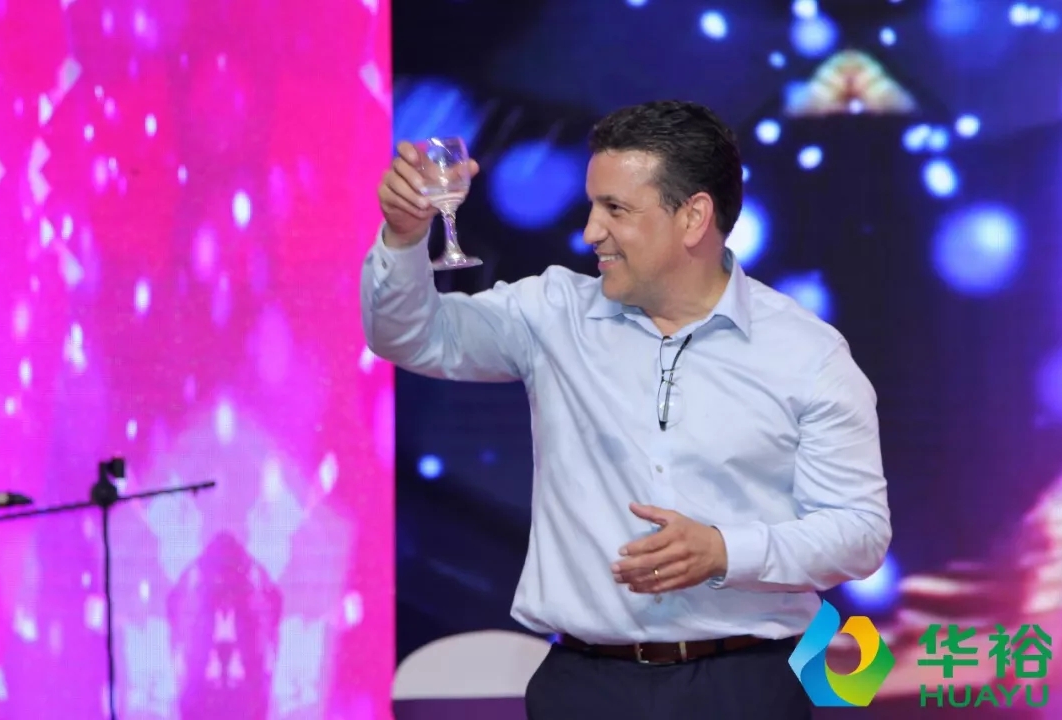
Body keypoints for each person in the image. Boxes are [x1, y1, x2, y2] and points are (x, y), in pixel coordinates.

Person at [362, 100, 892, 719]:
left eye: (615, 209)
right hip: (585, 687)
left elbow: (858, 533)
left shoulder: (806, 353)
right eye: (593, 206)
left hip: (746, 686)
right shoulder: (553, 314)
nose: (591, 231)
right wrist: (404, 237)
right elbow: (408, 336)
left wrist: (726, 551)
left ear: (693, 216)